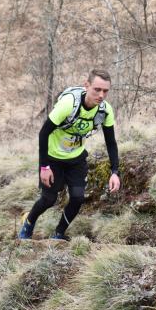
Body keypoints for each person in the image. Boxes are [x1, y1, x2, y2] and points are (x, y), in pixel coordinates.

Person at [19, 69, 121, 240]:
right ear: (86, 85)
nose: (101, 95)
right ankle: (29, 222)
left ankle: (58, 234)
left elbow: (111, 142)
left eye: (105, 91)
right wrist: (44, 167)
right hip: (52, 158)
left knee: (78, 198)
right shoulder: (68, 104)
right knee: (49, 199)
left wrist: (115, 172)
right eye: (97, 89)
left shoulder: (105, 111)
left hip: (76, 158)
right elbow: (43, 133)